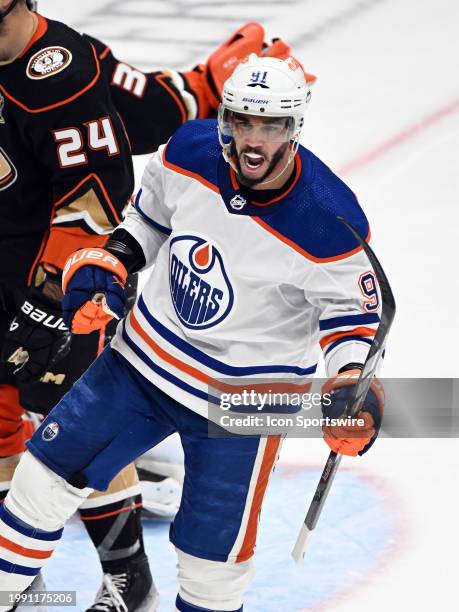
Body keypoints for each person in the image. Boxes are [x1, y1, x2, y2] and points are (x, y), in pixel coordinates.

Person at [0, 52, 384, 612]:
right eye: (243, 121)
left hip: (246, 401)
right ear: (225, 117)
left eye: (271, 125)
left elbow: (351, 316)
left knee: (213, 570)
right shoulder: (189, 152)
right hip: (143, 363)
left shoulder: (330, 218)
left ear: (295, 126)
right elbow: (149, 217)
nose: (254, 139)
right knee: (37, 484)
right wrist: (114, 260)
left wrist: (350, 380)